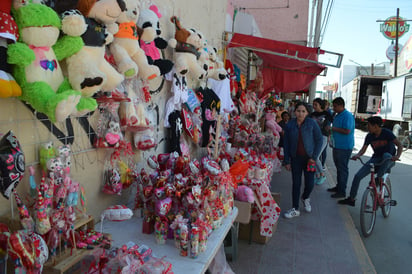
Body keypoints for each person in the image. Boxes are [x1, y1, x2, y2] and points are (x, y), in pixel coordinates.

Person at [338, 116, 402, 206]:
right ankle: (351, 199)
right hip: (376, 159)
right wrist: (357, 155)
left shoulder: (387, 133)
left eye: (369, 125)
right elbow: (363, 150)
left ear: (375, 126)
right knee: (357, 176)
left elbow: (399, 145)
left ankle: (379, 177)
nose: (367, 127)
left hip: (389, 159)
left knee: (386, 155)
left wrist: (397, 156)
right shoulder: (369, 136)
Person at [283, 102, 323, 218]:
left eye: (303, 111)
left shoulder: (312, 124)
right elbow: (286, 144)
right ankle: (295, 208)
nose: (300, 113)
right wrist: (287, 161)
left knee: (310, 183)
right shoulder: (290, 125)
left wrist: (314, 157)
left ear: (307, 113)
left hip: (309, 160)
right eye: (298, 111)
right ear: (294, 112)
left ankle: (305, 197)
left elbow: (319, 140)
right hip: (295, 159)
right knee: (296, 183)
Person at [327, 97, 355, 198]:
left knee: (342, 169)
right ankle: (339, 186)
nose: (333, 108)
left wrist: (332, 128)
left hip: (344, 147)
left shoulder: (347, 116)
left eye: (335, 106)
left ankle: (341, 191)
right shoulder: (338, 115)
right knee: (339, 168)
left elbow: (347, 130)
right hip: (337, 145)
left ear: (340, 105)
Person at [310, 98, 333, 185]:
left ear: (320, 105)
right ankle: (317, 175)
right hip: (313, 137)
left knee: (315, 157)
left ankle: (322, 175)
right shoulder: (312, 114)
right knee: (314, 156)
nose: (314, 106)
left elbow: (328, 125)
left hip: (323, 137)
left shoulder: (327, 114)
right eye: (313, 104)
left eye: (316, 104)